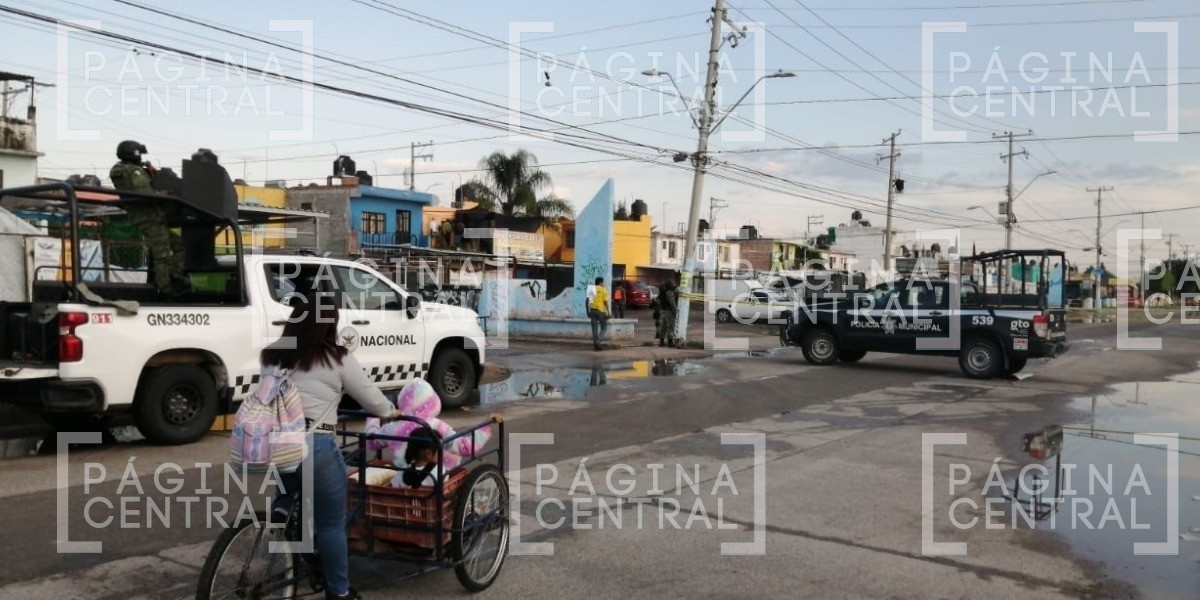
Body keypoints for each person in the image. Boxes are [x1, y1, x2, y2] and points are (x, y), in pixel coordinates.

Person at [261, 294, 402, 600]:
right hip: (314, 443)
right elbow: (370, 397)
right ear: (329, 324)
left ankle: (284, 517)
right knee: (330, 524)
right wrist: (391, 412)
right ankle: (338, 593)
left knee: (289, 496)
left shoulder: (276, 356)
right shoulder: (336, 357)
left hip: (277, 441)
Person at [108, 140, 188, 296]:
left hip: (141, 216)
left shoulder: (120, 170)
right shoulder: (134, 172)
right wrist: (163, 194)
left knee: (178, 245)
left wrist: (146, 170)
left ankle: (174, 276)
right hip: (149, 217)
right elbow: (145, 193)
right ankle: (166, 287)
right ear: (133, 154)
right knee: (162, 253)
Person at [585, 276, 609, 351]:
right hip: (600, 311)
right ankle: (598, 341)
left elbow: (586, 302)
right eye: (603, 282)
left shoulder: (591, 289)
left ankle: (596, 343)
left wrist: (587, 312)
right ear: (600, 282)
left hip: (592, 311)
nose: (603, 284)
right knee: (604, 327)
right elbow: (605, 302)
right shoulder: (603, 290)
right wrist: (608, 311)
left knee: (594, 328)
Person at [656, 280, 679, 347]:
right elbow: (672, 303)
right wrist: (675, 311)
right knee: (670, 326)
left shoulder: (662, 292)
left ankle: (661, 341)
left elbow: (657, 300)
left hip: (663, 311)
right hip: (669, 311)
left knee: (663, 326)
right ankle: (670, 342)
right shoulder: (670, 292)